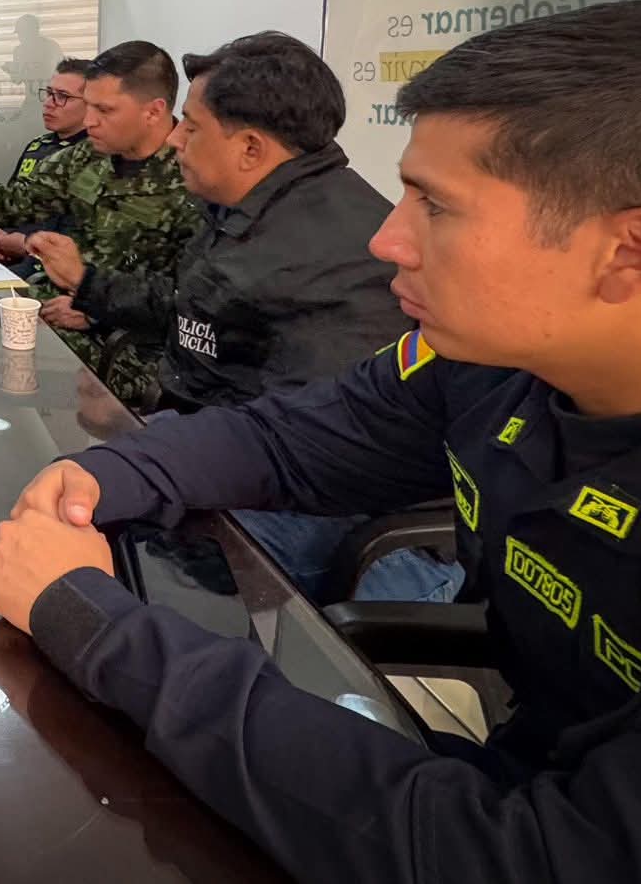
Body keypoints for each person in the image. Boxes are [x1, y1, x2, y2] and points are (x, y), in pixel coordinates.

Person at [0, 0, 641, 883]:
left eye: (437, 208)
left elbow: (532, 854)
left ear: (637, 251)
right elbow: (290, 437)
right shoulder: (496, 364)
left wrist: (95, 626)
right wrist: (103, 472)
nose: (387, 238)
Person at [27, 32, 451, 602]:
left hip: (317, 507)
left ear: (250, 148)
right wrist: (92, 288)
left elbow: (303, 445)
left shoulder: (331, 256)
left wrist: (162, 451)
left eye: (193, 127)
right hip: (226, 447)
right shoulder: (245, 209)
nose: (175, 140)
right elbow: (195, 311)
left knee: (95, 562)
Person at [0, 41, 202, 406]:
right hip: (54, 310)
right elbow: (18, 198)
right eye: (89, 106)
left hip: (129, 345)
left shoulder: (193, 178)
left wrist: (96, 309)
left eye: (104, 109)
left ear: (153, 111)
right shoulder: (86, 157)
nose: (89, 120)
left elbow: (192, 300)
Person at [0, 57, 93, 265]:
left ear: (91, 103)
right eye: (49, 93)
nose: (49, 104)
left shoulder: (95, 154)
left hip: (48, 267)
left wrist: (24, 245)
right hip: (7, 256)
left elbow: (80, 237)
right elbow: (11, 203)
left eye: (62, 97)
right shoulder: (37, 146)